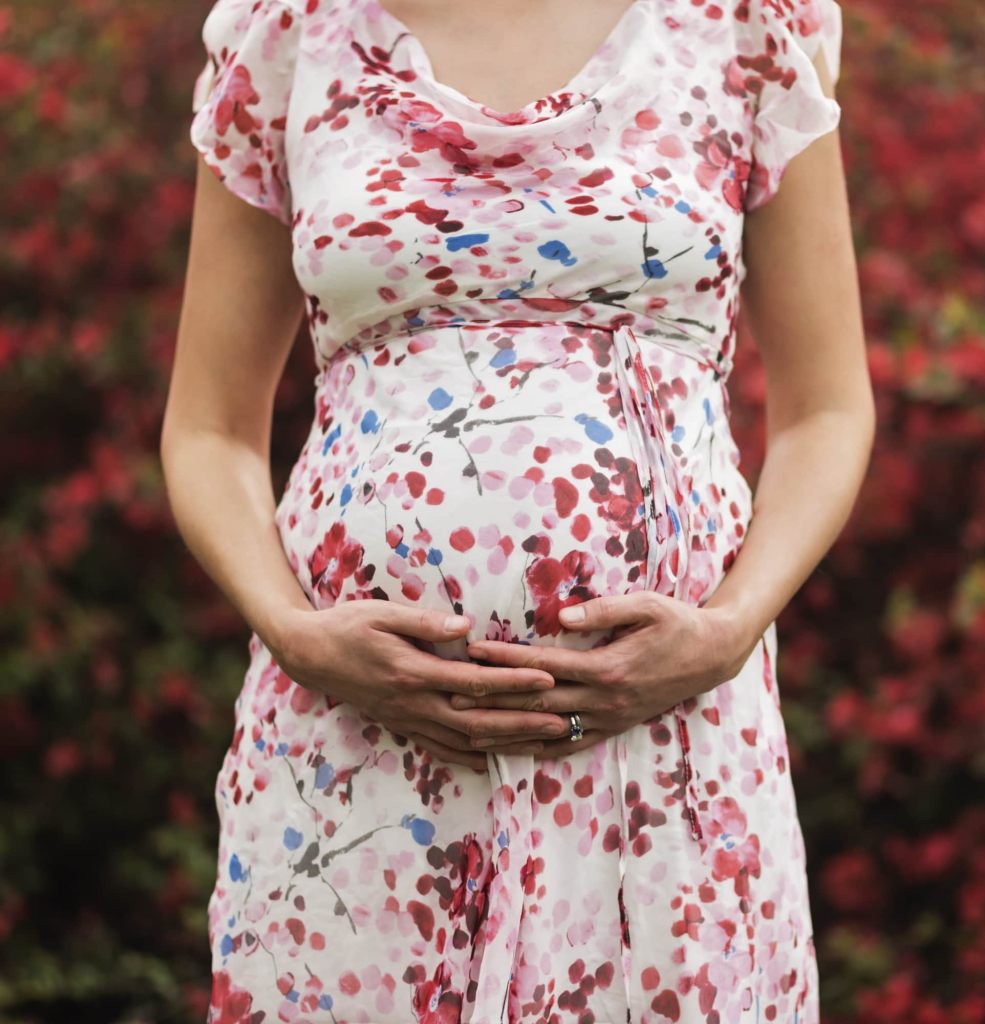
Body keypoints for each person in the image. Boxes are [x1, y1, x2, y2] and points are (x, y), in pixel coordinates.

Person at [162, 0, 873, 1019]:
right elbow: (208, 431)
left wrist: (727, 630)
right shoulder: (290, 35)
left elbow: (828, 411)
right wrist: (294, 632)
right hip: (359, 749)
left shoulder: (740, 27)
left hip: (668, 750)